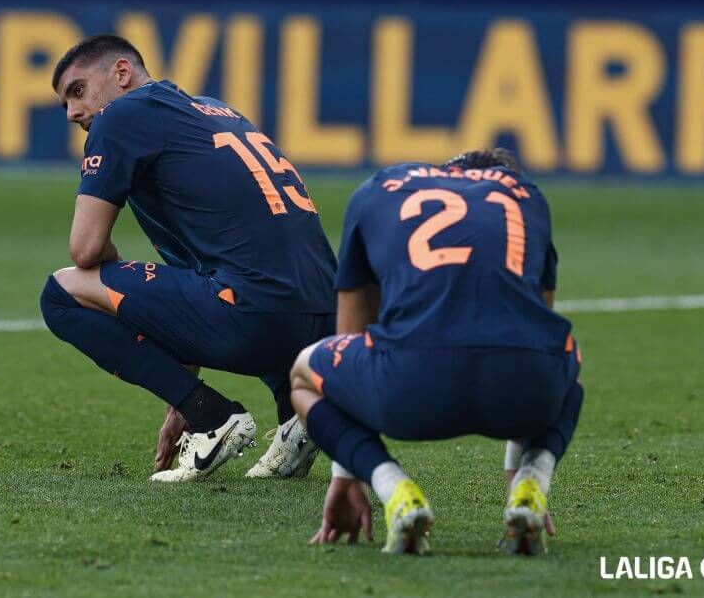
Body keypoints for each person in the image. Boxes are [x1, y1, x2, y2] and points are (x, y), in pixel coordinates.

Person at [39, 34, 337, 482]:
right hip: (329, 323)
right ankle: (299, 413)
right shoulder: (214, 111)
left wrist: (193, 403)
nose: (73, 112)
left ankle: (214, 419)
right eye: (65, 103)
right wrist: (178, 398)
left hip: (257, 318)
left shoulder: (121, 116)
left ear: (122, 73)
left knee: (61, 292)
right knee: (251, 279)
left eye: (78, 91)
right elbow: (196, 272)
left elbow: (85, 249)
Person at [289, 149, 583, 554]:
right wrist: (514, 472)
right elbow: (537, 330)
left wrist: (347, 472)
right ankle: (531, 482)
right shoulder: (528, 197)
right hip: (521, 394)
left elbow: (350, 334)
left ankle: (393, 489)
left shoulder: (379, 188)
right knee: (565, 359)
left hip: (409, 393)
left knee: (304, 374)